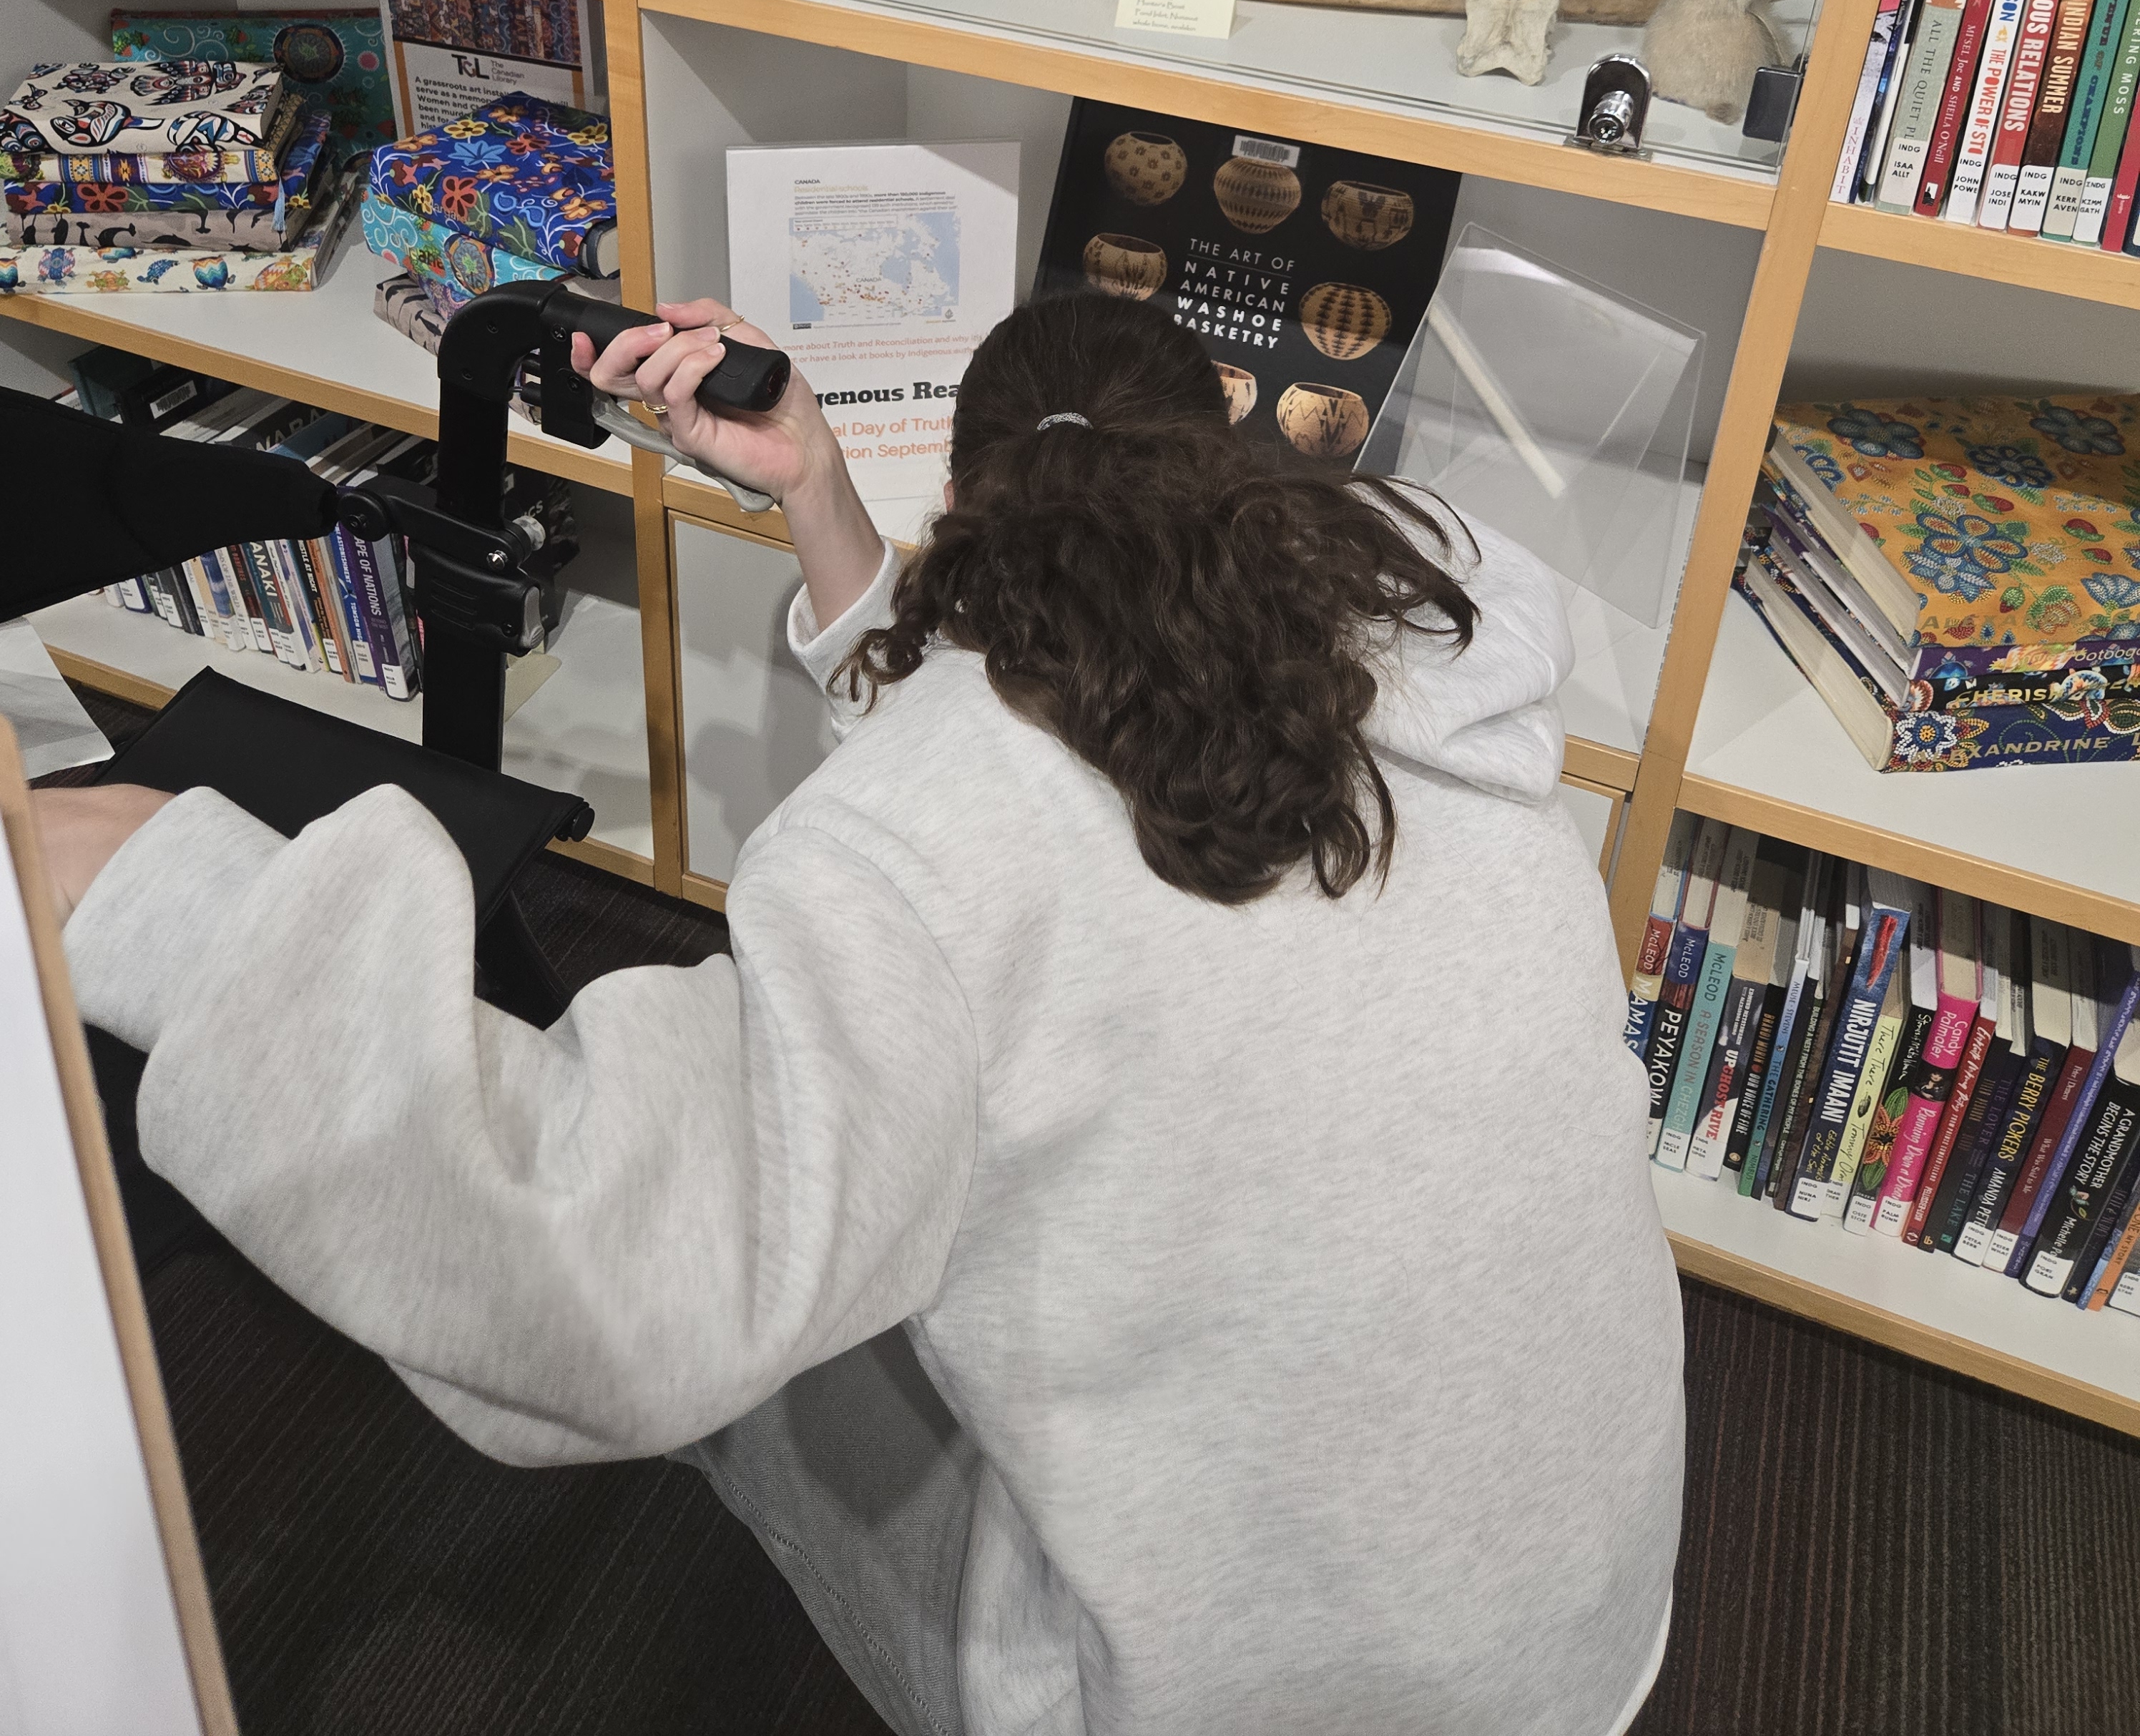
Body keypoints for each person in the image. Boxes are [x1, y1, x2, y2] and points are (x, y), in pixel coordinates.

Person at [38, 288, 1683, 1736]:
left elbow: (607, 1268)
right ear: (1225, 473)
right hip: (1579, 1637)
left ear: (960, 502)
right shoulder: (1422, 668)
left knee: (767, 1321)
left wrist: (155, 882)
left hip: (1201, 1699)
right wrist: (814, 490)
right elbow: (1017, 777)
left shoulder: (927, 846)